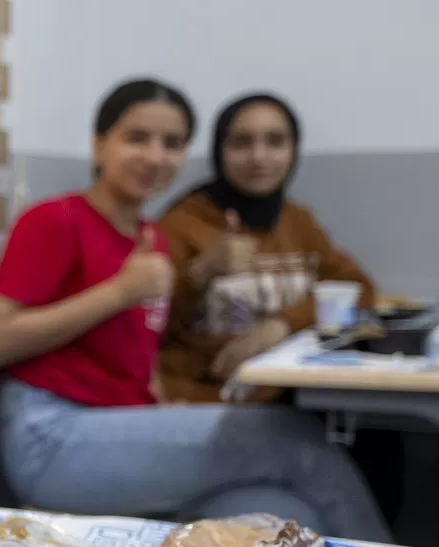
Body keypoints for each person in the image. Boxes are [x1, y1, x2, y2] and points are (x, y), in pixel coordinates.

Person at [0, 78, 389, 539]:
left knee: (288, 512)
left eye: (172, 143)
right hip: (53, 435)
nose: (155, 156)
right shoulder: (55, 219)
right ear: (98, 146)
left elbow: (139, 353)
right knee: (296, 437)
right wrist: (119, 292)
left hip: (125, 426)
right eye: (137, 138)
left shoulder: (152, 238)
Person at [158, 92, 375, 403]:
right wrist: (200, 272)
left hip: (290, 396)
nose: (259, 157)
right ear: (220, 151)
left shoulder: (297, 221)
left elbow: (358, 290)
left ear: (293, 150)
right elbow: (142, 329)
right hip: (206, 400)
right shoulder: (181, 224)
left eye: (275, 142)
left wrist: (282, 324)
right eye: (241, 143)